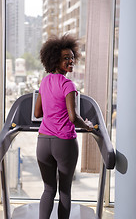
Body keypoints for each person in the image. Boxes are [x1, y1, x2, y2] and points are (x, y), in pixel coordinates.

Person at [34, 34, 94, 219]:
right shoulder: (68, 85)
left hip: (43, 141)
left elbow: (37, 113)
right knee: (65, 191)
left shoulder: (44, 82)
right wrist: (88, 126)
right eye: (65, 58)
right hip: (64, 142)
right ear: (55, 60)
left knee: (48, 189)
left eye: (72, 57)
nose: (71, 61)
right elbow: (73, 117)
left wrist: (52, 111)